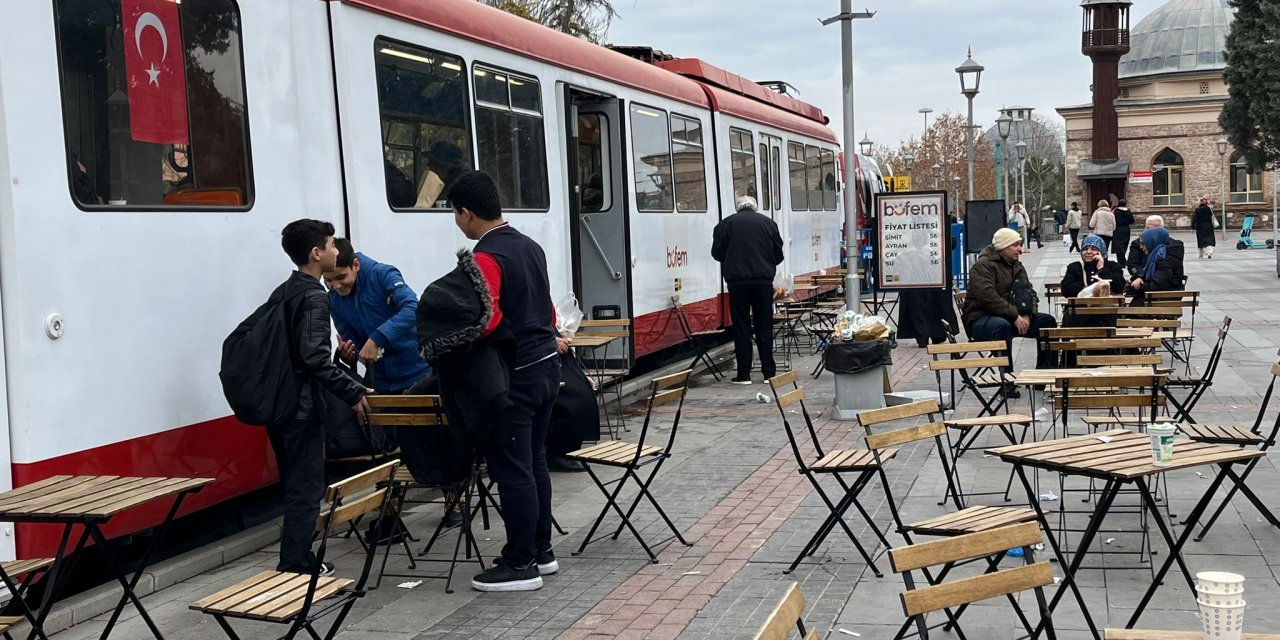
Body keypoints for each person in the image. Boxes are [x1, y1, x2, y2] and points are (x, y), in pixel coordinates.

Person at [449, 170, 561, 592]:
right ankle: (541, 551)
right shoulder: (530, 246)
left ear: (466, 213)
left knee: (512, 469)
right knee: (534, 463)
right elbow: (547, 310)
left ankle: (520, 564)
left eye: (456, 215)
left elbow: (486, 318)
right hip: (548, 365)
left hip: (516, 375)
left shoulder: (484, 257)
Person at [273, 219, 372, 575]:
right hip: (302, 408)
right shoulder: (315, 295)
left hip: (280, 404)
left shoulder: (288, 289)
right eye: (331, 244)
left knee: (295, 485)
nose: (336, 249)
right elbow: (313, 357)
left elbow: (298, 353)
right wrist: (353, 390)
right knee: (306, 487)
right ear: (316, 254)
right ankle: (297, 563)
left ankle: (296, 558)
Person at [961, 228, 1057, 390]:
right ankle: (1007, 381)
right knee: (1001, 326)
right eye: (1016, 245)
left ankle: (1044, 376)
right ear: (1003, 246)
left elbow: (1029, 293)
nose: (1020, 249)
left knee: (1047, 322)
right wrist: (1014, 316)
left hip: (1010, 318)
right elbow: (988, 298)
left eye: (1020, 245)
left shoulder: (1017, 266)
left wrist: (1027, 314)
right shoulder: (982, 266)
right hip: (980, 318)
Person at [711, 195, 785, 384]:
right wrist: (765, 265)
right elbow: (778, 253)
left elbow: (717, 253)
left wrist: (733, 261)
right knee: (764, 326)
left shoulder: (725, 225)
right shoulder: (768, 223)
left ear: (738, 208)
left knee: (741, 327)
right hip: (762, 281)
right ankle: (769, 372)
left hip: (737, 282)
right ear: (755, 207)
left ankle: (744, 374)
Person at [1061, 234, 1127, 329]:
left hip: (1106, 315)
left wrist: (1102, 268)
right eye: (1085, 249)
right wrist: (1090, 289)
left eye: (1093, 249)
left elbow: (1119, 287)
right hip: (1080, 316)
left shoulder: (1113, 266)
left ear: (1101, 251)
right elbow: (1066, 290)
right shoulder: (1075, 267)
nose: (1088, 252)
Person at [1128, 227, 1186, 305]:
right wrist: (1139, 279)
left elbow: (1157, 285)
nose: (1141, 247)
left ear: (1152, 241)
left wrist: (1135, 287)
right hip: (1157, 298)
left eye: (1143, 243)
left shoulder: (1165, 259)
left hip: (1161, 300)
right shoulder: (1159, 255)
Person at [416, 141, 468, 208]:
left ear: (445, 167)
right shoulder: (444, 182)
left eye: (433, 164)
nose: (430, 168)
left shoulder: (460, 189)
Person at [1112, 199, 1134, 265]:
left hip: (1117, 229)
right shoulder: (1128, 211)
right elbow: (1132, 221)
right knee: (1125, 244)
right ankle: (1123, 261)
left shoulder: (1115, 211)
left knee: (1118, 245)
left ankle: (1120, 261)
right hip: (1126, 229)